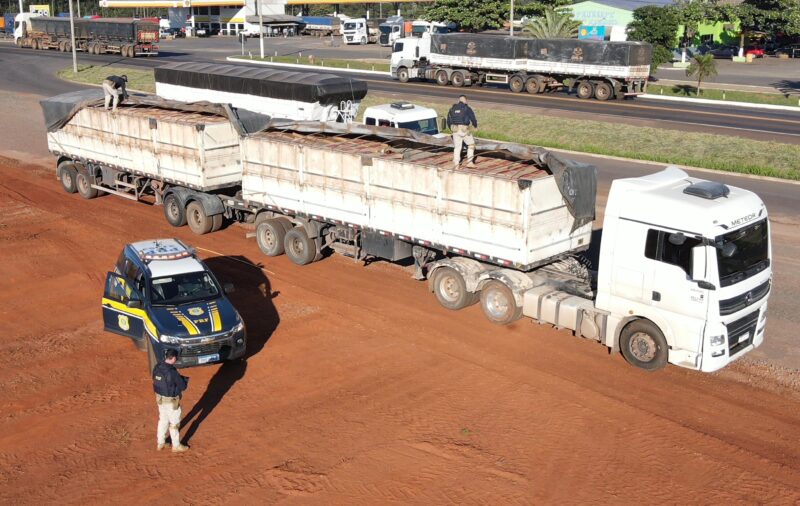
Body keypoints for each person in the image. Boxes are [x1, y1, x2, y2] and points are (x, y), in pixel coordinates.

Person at [152, 348, 190, 452]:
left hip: (159, 399)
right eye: (176, 358)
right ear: (173, 358)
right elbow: (183, 387)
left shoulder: (157, 367)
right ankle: (176, 446)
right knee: (174, 423)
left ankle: (161, 443)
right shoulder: (172, 372)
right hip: (171, 402)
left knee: (163, 420)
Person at [446, 95, 478, 167]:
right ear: (465, 101)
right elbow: (473, 118)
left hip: (455, 130)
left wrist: (452, 129)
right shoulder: (467, 108)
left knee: (457, 147)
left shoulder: (452, 109)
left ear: (458, 100)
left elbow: (448, 121)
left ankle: (456, 163)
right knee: (471, 145)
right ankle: (469, 162)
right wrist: (475, 126)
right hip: (464, 129)